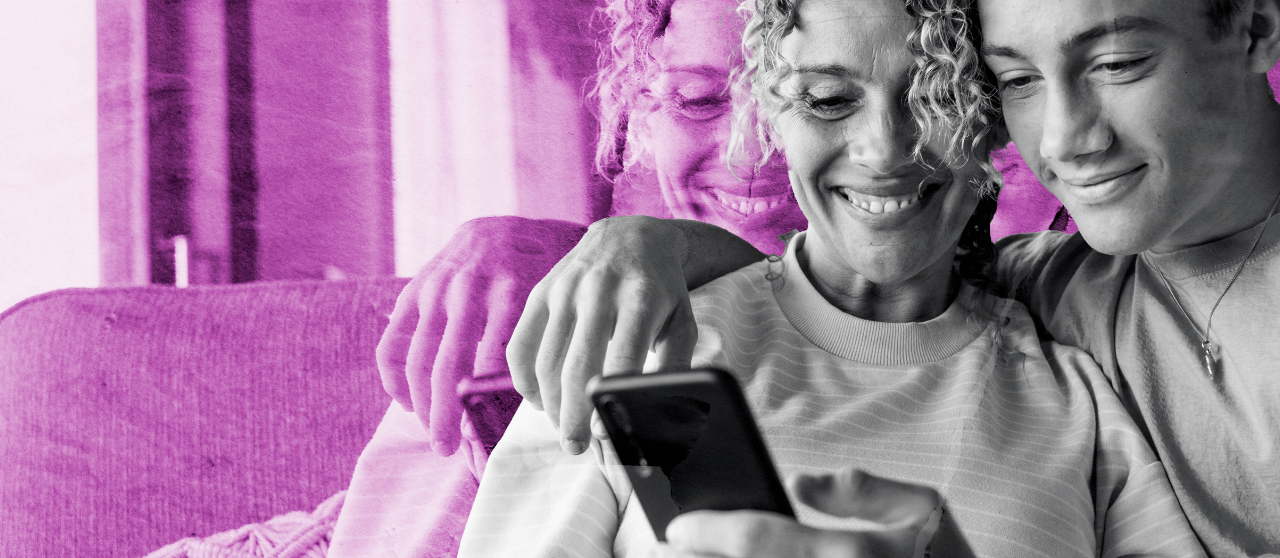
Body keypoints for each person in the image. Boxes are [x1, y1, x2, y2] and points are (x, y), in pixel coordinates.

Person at [506, 0, 1280, 556]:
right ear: (775, 115)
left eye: (934, 95)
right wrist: (640, 242)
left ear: (982, 120)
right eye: (828, 99)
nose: (883, 148)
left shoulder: (1070, 368)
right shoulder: (635, 346)